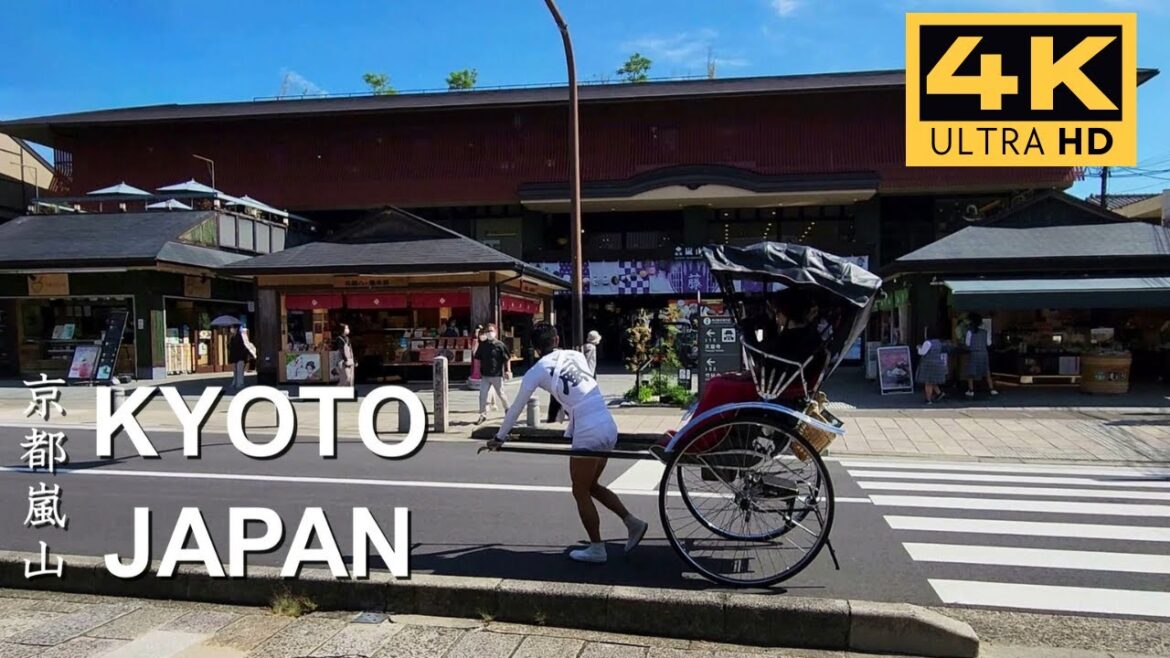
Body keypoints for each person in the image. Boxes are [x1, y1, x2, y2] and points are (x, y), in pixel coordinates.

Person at [486, 323, 647, 564]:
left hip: (588, 430)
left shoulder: (536, 371)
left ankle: (597, 548)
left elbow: (516, 407)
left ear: (534, 348)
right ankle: (633, 522)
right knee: (591, 485)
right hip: (607, 423)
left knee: (579, 490)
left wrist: (499, 437)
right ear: (557, 339)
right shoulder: (576, 355)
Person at [475, 323, 512, 423]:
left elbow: (507, 358)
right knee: (482, 395)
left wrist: (508, 370)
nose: (489, 333)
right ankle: (482, 414)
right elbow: (478, 358)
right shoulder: (483, 345)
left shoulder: (500, 345)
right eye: (487, 331)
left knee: (501, 394)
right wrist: (477, 371)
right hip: (485, 375)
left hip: (497, 375)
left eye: (491, 331)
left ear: (495, 332)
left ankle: (508, 409)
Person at [963, 313, 997, 397]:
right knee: (987, 372)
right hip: (983, 353)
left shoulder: (969, 332)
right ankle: (992, 389)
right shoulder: (985, 332)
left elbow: (967, 344)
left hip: (974, 353)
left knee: (971, 373)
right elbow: (989, 343)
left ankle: (971, 390)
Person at [917, 327, 947, 404]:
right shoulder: (938, 342)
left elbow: (922, 352)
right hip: (938, 363)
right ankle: (939, 393)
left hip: (928, 364)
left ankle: (928, 399)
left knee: (928, 382)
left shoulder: (927, 342)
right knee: (933, 380)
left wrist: (919, 348)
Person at [227, 325, 256, 390]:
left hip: (240, 356)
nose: (231, 329)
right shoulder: (232, 337)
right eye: (230, 328)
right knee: (235, 370)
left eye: (232, 328)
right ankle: (235, 383)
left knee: (239, 370)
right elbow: (231, 347)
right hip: (235, 357)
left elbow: (242, 346)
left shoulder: (240, 336)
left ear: (236, 329)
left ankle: (239, 383)